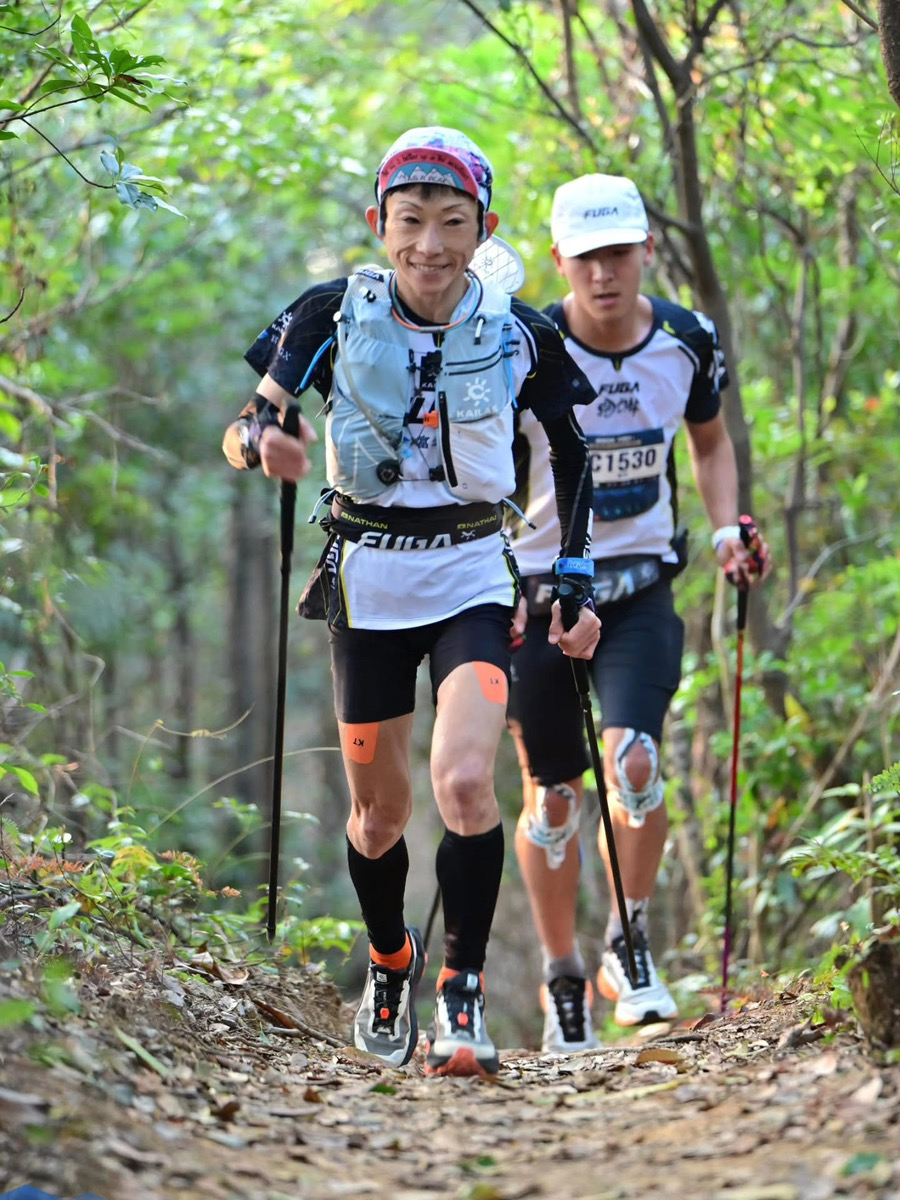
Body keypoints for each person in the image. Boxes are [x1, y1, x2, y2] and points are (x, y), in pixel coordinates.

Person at [222, 128, 601, 1078]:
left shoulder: (520, 331)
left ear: (484, 230)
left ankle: (461, 988)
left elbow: (573, 450)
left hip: (473, 574)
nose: (430, 245)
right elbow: (249, 422)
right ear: (378, 224)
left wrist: (574, 576)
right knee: (377, 818)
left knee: (466, 784)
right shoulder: (330, 313)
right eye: (411, 221)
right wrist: (262, 446)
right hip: (369, 582)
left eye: (452, 223)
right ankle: (391, 960)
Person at [505, 172, 771, 1053]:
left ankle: (628, 940)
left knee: (636, 761)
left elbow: (710, 441)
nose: (603, 273)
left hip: (641, 586)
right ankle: (562, 978)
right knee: (553, 800)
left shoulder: (687, 339)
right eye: (586, 257)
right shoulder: (526, 346)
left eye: (618, 253)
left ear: (646, 251)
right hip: (542, 593)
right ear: (559, 259)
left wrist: (728, 527)